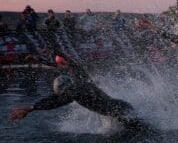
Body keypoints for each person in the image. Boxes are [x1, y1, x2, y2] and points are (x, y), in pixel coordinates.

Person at [10, 54, 146, 130]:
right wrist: (66, 61)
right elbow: (75, 68)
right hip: (121, 106)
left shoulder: (74, 92)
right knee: (145, 128)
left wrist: (31, 108)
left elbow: (55, 101)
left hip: (118, 112)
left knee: (145, 131)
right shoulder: (80, 82)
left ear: (61, 90)